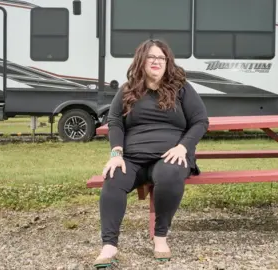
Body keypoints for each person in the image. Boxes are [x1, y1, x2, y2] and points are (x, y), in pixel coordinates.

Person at [94, 39, 209, 267]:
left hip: (170, 156)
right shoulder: (128, 90)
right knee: (113, 177)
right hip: (133, 158)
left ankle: (160, 237)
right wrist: (116, 153)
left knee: (170, 175)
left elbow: (200, 121)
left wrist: (182, 147)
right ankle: (109, 245)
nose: (156, 61)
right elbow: (115, 121)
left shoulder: (181, 88)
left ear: (167, 62)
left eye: (161, 57)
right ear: (141, 61)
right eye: (151, 57)